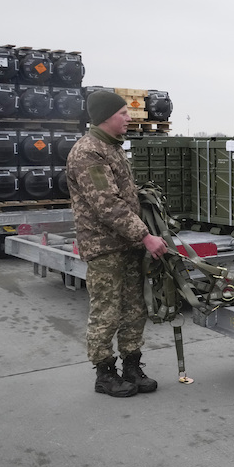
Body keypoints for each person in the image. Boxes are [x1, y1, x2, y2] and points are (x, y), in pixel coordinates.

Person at [67, 90, 168, 397]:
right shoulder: (89, 153)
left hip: (127, 244)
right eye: (123, 113)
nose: (129, 118)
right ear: (105, 117)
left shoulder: (112, 149)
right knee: (107, 311)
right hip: (105, 247)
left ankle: (132, 366)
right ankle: (105, 373)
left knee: (135, 309)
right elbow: (107, 204)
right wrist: (145, 236)